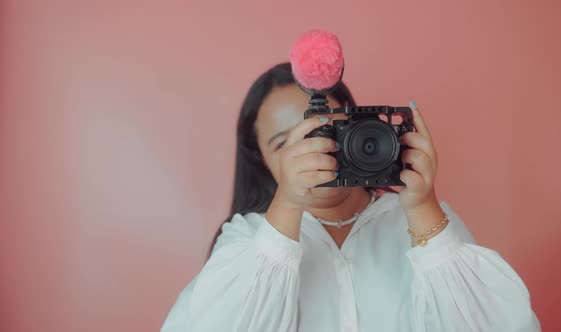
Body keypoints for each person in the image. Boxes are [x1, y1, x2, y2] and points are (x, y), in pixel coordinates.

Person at [161, 63, 541, 332]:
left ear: (361, 128)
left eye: (325, 130)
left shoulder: (426, 221)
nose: (312, 153)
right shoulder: (245, 240)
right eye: (285, 145)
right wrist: (288, 205)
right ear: (262, 162)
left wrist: (423, 209)